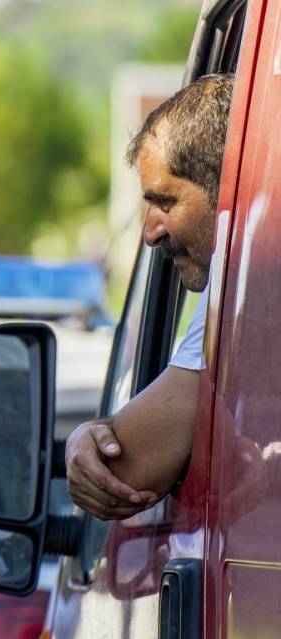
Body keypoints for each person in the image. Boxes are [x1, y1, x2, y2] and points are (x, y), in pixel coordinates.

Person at [66, 73, 233, 520]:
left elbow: (125, 472)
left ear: (229, 193)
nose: (150, 231)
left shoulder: (248, 277)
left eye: (165, 202)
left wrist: (88, 440)